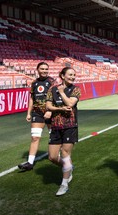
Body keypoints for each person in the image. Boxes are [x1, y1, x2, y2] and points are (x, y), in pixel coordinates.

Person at [46, 67, 81, 196]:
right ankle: (68, 168)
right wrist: (58, 109)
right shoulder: (52, 89)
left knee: (65, 153)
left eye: (74, 75)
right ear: (62, 75)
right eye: (70, 74)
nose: (72, 77)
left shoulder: (76, 89)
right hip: (55, 125)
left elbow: (70, 104)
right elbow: (48, 105)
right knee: (52, 157)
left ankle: (64, 184)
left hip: (70, 125)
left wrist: (62, 93)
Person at [18, 62, 55, 171]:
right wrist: (29, 113)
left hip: (50, 112)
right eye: (42, 69)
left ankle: (57, 157)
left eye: (46, 69)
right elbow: (32, 99)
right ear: (37, 70)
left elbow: (56, 97)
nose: (44, 71)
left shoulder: (52, 82)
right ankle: (30, 163)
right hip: (37, 113)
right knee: (35, 137)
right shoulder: (34, 83)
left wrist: (50, 111)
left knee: (54, 137)